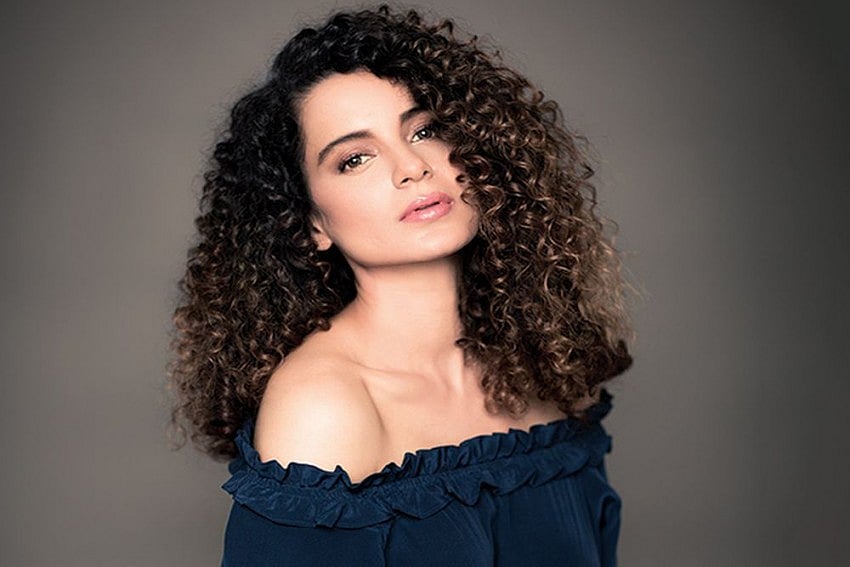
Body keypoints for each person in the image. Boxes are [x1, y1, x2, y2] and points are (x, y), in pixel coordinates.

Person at [169, 5, 632, 566]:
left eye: (424, 130)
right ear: (311, 223)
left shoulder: (543, 357)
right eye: (355, 158)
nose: (411, 166)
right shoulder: (324, 408)